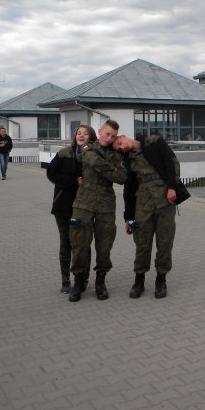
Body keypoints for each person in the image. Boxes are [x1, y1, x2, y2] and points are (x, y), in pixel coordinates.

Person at [113, 133, 181, 299]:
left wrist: (172, 187)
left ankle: (161, 280)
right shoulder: (128, 160)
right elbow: (128, 190)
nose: (123, 147)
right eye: (119, 148)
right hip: (143, 204)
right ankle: (139, 281)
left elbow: (171, 163)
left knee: (165, 241)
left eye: (121, 143)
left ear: (124, 136)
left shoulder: (154, 142)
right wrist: (128, 218)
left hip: (165, 199)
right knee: (142, 242)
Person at [67, 120, 127, 302]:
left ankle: (100, 281)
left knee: (104, 246)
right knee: (79, 246)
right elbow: (91, 161)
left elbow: (122, 177)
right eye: (107, 134)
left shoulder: (114, 153)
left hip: (106, 206)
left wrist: (101, 165)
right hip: (83, 204)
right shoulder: (86, 148)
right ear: (100, 131)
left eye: (113, 136)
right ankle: (78, 282)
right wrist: (108, 168)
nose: (109, 138)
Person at [46, 125, 96, 294]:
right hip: (63, 206)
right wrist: (73, 181)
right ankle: (65, 279)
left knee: (83, 244)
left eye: (85, 133)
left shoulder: (94, 156)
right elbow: (51, 174)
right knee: (66, 244)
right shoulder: (64, 153)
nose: (81, 135)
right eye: (78, 133)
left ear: (91, 137)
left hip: (85, 207)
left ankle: (83, 278)